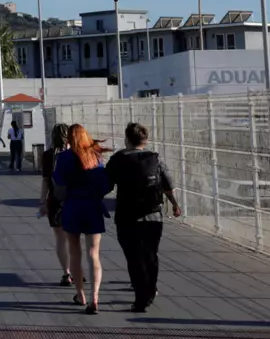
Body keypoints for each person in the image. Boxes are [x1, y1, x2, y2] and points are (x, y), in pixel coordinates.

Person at [107, 122, 182, 313]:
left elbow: (106, 185)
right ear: (145, 140)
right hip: (153, 215)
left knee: (134, 257)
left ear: (127, 139)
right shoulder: (155, 160)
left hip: (126, 216)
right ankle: (151, 289)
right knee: (150, 254)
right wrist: (174, 204)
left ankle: (141, 298)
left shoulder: (118, 159)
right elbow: (168, 187)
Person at [53, 124, 112, 314]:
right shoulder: (96, 155)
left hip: (73, 207)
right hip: (93, 207)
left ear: (69, 138)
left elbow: (59, 189)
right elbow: (105, 184)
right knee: (93, 254)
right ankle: (95, 297)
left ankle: (81, 295)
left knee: (75, 253)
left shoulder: (62, 158)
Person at [39, 123, 74, 286]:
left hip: (55, 200)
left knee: (60, 239)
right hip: (74, 200)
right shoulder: (74, 154)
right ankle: (76, 270)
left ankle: (66, 273)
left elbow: (46, 180)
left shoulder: (48, 155)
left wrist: (42, 202)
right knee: (74, 238)